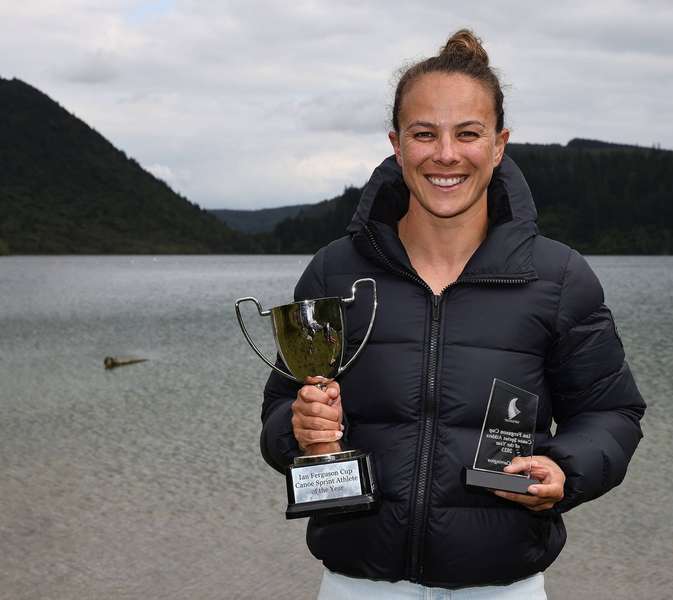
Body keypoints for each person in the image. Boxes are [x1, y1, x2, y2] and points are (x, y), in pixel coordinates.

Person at [260, 29, 645, 598]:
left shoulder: (559, 277)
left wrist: (565, 471)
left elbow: (611, 413)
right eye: (424, 134)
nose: (445, 154)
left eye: (468, 133)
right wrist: (300, 432)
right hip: (357, 585)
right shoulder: (334, 272)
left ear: (499, 144)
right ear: (396, 143)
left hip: (502, 587)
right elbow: (278, 414)